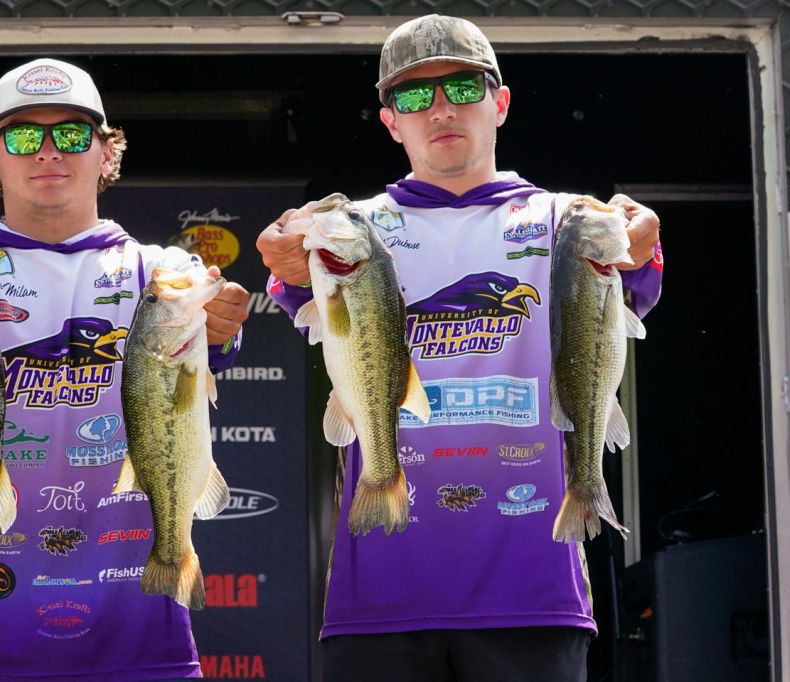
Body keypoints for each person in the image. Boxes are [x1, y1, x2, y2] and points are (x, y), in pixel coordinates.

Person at [257, 15, 662, 682]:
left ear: (500, 102)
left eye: (463, 88)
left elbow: (633, 291)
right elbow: (302, 300)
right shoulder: (349, 227)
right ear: (392, 121)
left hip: (533, 594)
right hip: (380, 599)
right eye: (416, 95)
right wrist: (285, 264)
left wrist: (643, 248)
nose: (441, 109)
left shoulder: (570, 219)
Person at [0, 57, 250, 681]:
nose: (48, 151)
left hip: (143, 639)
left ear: (107, 152)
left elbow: (209, 356)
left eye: (72, 133)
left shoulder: (164, 273)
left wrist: (223, 326)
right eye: (24, 136)